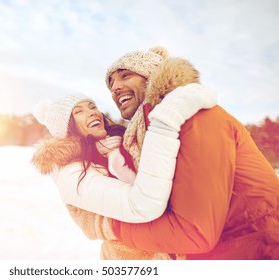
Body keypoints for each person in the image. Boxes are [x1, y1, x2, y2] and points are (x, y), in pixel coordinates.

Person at [56, 46, 279, 259]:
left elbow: (193, 233)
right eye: (111, 83)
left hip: (259, 249)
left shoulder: (197, 118)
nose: (114, 88)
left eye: (125, 76)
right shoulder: (151, 135)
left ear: (152, 75)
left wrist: (109, 228)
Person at [32, 74, 217, 258]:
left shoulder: (120, 144)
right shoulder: (71, 173)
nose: (92, 113)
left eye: (92, 106)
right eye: (78, 112)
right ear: (67, 128)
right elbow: (141, 205)